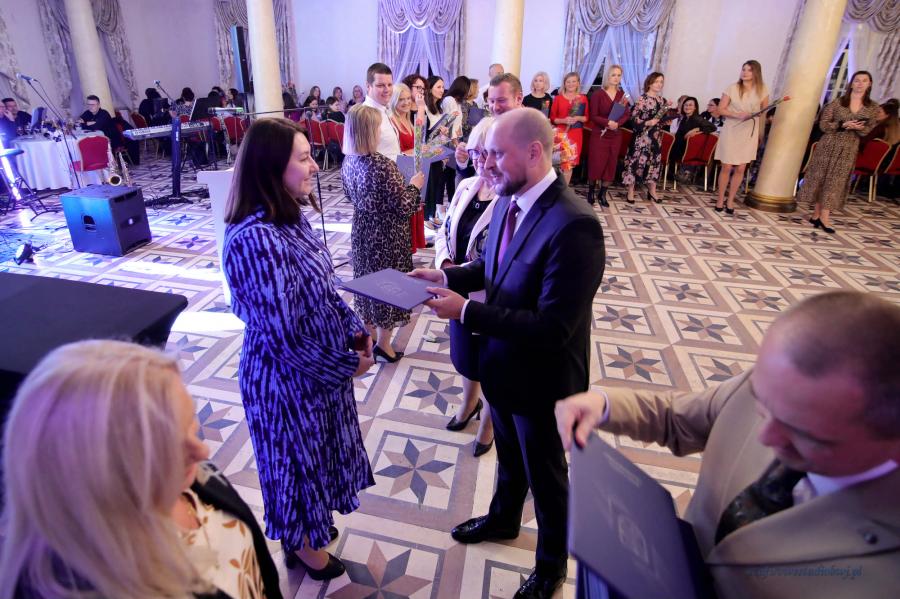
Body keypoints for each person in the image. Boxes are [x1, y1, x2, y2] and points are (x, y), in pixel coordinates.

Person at [555, 290, 900, 599]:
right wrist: (604, 404)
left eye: (804, 435)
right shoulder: (776, 386)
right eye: (762, 404)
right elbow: (678, 417)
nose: (766, 437)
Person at [410, 108, 605, 599]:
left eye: (497, 153)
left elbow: (554, 328)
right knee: (511, 458)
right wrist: (446, 276)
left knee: (546, 476)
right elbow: (491, 268)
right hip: (502, 362)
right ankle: (502, 520)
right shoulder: (507, 201)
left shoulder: (575, 225)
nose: (487, 164)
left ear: (535, 152)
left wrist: (465, 312)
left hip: (544, 377)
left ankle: (551, 567)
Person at [0, 339, 284, 599]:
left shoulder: (194, 477)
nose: (202, 452)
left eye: (189, 422)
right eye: (163, 445)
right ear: (96, 473)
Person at [222, 118, 375, 580]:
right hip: (284, 380)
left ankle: (307, 531)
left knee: (316, 456)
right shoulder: (256, 239)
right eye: (304, 158)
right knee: (296, 463)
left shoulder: (288, 216)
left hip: (312, 371)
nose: (314, 166)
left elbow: (323, 289)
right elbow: (282, 337)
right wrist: (346, 365)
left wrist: (353, 329)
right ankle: (302, 545)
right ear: (272, 167)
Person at [433, 116, 498, 457]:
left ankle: (488, 422)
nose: (478, 160)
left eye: (486, 152)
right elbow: (444, 230)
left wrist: (458, 273)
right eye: (473, 152)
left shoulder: (508, 197)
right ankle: (469, 402)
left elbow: (496, 260)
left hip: (488, 298)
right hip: (456, 288)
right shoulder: (466, 185)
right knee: (464, 356)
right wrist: (445, 264)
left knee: (489, 361)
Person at [341, 105, 424, 362]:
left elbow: (348, 195)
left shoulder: (348, 160)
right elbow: (404, 206)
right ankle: (384, 345)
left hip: (362, 230)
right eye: (377, 128)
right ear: (369, 132)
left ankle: (370, 336)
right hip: (386, 235)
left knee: (367, 283)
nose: (380, 132)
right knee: (387, 286)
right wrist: (414, 186)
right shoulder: (381, 165)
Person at [796, 71, 879, 234]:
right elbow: (823, 124)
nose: (860, 83)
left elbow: (868, 129)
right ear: (851, 83)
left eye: (864, 81)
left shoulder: (873, 107)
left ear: (869, 84)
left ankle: (824, 216)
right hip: (829, 144)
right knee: (822, 178)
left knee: (835, 181)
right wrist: (841, 125)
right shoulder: (838, 102)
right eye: (857, 80)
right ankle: (817, 214)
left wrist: (858, 127)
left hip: (849, 146)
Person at [714, 60, 769, 214]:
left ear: (756, 72)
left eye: (749, 70)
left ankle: (730, 200)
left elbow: (764, 111)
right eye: (743, 69)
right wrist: (737, 115)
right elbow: (721, 109)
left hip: (749, 131)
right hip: (732, 129)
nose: (745, 72)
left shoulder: (763, 89)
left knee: (740, 168)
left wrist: (755, 115)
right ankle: (720, 199)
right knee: (727, 166)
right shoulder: (732, 88)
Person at [453, 72, 524, 181]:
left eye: (501, 100)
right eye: (491, 101)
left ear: (519, 99)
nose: (495, 107)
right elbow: (472, 173)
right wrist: (463, 161)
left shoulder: (531, 131)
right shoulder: (488, 126)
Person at [389, 83, 427, 255]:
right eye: (401, 99)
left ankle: (408, 252)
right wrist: (413, 150)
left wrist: (421, 108)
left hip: (411, 171)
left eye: (407, 99)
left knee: (414, 208)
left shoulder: (407, 119)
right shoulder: (392, 121)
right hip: (401, 173)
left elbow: (419, 133)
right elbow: (394, 151)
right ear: (393, 101)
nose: (405, 102)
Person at [622, 72, 670, 204]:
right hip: (641, 137)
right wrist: (648, 122)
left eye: (661, 82)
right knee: (635, 162)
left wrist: (666, 121)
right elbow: (633, 119)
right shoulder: (642, 99)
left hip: (656, 137)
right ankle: (630, 191)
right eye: (656, 81)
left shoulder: (662, 101)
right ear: (649, 83)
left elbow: (660, 119)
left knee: (654, 162)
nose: (659, 84)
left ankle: (652, 191)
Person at [587, 64, 630, 207]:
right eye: (613, 75)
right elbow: (593, 116)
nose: (616, 78)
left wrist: (617, 124)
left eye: (619, 75)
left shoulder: (622, 96)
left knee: (610, 163)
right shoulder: (598, 94)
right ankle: (591, 191)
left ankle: (603, 193)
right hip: (599, 134)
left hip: (615, 135)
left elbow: (626, 114)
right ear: (607, 76)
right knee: (596, 163)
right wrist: (607, 122)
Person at [550, 72, 589, 185]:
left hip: (575, 135)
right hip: (560, 134)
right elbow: (553, 118)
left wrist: (577, 118)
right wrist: (564, 120)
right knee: (558, 163)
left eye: (574, 81)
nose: (571, 84)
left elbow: (586, 117)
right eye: (568, 82)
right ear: (564, 83)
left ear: (578, 83)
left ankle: (564, 190)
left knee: (569, 164)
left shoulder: (582, 98)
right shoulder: (558, 98)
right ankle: (555, 189)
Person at [423, 75, 450, 228]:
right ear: (430, 88)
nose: (442, 90)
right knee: (429, 184)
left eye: (443, 87)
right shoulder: (425, 109)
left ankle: (432, 214)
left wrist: (444, 132)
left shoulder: (439, 109)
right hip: (428, 152)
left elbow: (441, 133)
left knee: (438, 183)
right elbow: (425, 133)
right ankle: (425, 216)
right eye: (438, 87)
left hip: (438, 150)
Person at [360, 62, 400, 161]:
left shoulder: (384, 108)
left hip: (395, 167)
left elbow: (389, 150)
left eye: (390, 85)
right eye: (380, 85)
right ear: (368, 86)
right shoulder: (365, 114)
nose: (387, 90)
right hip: (382, 170)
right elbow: (366, 160)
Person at [670, 96, 716, 174]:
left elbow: (712, 127)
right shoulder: (684, 119)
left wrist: (696, 129)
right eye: (686, 105)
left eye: (690, 105)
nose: (687, 107)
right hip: (680, 147)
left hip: (687, 151)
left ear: (695, 107)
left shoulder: (696, 118)